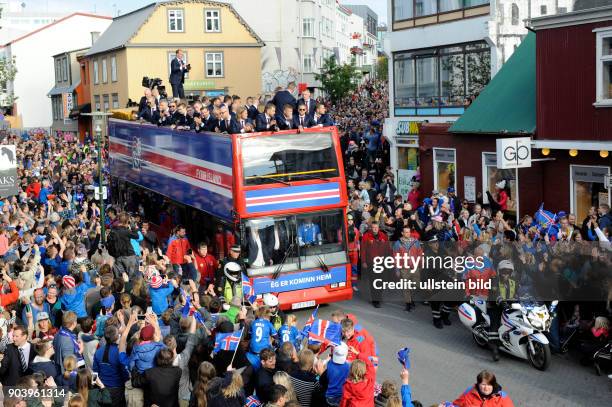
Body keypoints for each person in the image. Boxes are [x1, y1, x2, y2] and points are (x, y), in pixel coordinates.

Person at [93, 325, 128, 407]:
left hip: (102, 387)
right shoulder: (120, 353)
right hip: (116, 388)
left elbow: (94, 372)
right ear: (116, 337)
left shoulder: (98, 351)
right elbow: (124, 372)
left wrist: (94, 385)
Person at [449, 370, 515, 407]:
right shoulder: (469, 392)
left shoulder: (502, 397)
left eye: (489, 385)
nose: (486, 388)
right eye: (483, 384)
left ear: (493, 385)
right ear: (478, 384)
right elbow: (456, 405)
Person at [319, 342, 350, 407]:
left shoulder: (329, 363)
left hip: (329, 396)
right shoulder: (348, 366)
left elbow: (322, 380)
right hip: (341, 396)